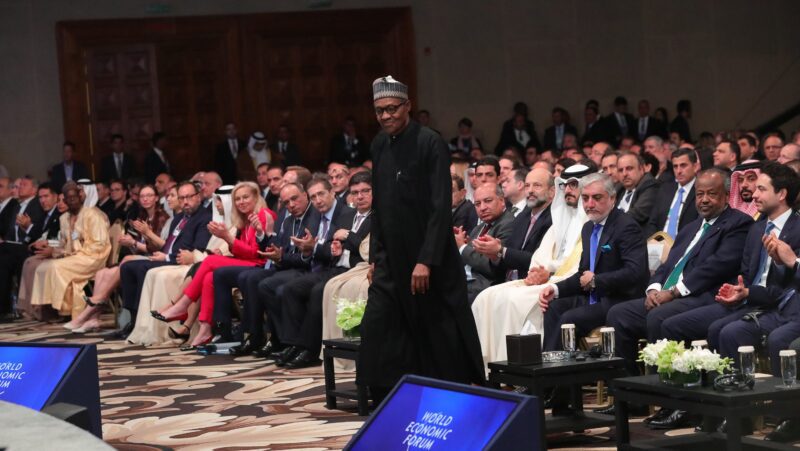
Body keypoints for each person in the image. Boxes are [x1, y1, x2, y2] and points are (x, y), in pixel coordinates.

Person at [359, 75, 485, 402]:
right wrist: (375, 257)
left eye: (391, 109)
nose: (386, 116)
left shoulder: (430, 142)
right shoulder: (378, 145)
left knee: (436, 329)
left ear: (407, 106)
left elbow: (439, 206)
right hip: (390, 258)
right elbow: (380, 207)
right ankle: (385, 395)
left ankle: (450, 394)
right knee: (379, 323)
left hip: (428, 257)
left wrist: (425, 260)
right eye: (379, 111)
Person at [606, 168, 752, 427]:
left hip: (705, 296)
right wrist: (654, 288)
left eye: (711, 194)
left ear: (725, 195)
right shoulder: (690, 227)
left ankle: (675, 403)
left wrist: (672, 293)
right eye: (700, 194)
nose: (704, 199)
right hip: (669, 294)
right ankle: (634, 398)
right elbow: (668, 265)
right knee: (619, 314)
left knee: (660, 317)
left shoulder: (738, 224)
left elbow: (716, 267)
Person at [471, 165, 590, 366]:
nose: (568, 190)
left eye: (574, 185)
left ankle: (518, 369)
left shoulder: (588, 222)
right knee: (486, 297)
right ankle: (486, 367)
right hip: (543, 278)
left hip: (564, 284)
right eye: (565, 185)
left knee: (514, 301)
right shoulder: (560, 218)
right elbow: (539, 256)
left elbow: (578, 266)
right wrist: (538, 271)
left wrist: (548, 274)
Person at [152, 182, 276, 349]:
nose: (241, 202)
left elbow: (257, 253)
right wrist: (227, 246)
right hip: (249, 262)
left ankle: (182, 305)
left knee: (209, 262)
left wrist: (228, 239)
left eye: (245, 197)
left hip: (261, 265)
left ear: (256, 197)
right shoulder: (244, 219)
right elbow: (243, 252)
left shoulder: (263, 214)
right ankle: (208, 329)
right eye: (237, 199)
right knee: (210, 276)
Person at [274, 174, 369, 368]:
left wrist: (347, 238)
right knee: (292, 288)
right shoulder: (347, 215)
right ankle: (293, 344)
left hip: (356, 270)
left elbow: (370, 250)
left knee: (319, 291)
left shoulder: (376, 216)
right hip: (335, 266)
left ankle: (309, 349)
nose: (359, 196)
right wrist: (330, 248)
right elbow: (328, 246)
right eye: (355, 193)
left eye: (365, 191)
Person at [126, 185, 230, 346]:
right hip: (197, 262)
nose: (185, 202)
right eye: (182, 198)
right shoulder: (178, 218)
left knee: (158, 274)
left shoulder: (205, 218)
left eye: (189, 197)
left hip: (193, 263)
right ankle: (145, 327)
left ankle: (170, 323)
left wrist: (170, 256)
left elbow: (199, 249)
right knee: (145, 271)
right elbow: (171, 245)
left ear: (198, 196)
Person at [223, 182, 318, 357]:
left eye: (294, 199)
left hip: (304, 268)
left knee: (267, 284)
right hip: (286, 265)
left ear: (305, 195)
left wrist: (281, 257)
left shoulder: (314, 216)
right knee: (251, 278)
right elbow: (278, 247)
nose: (291, 205)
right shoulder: (288, 218)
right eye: (286, 202)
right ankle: (257, 335)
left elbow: (307, 257)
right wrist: (262, 233)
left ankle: (283, 340)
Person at [65, 184, 170, 333]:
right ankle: (94, 319)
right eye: (142, 196)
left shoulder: (163, 218)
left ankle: (96, 303)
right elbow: (142, 246)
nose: (145, 199)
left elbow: (160, 248)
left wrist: (135, 243)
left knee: (126, 259)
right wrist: (132, 242)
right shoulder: (143, 216)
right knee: (102, 273)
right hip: (142, 257)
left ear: (157, 198)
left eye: (149, 195)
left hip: (156, 258)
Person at [28, 184, 111, 321]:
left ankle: (63, 310)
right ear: (64, 200)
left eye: (74, 197)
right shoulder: (64, 218)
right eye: (68, 198)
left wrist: (73, 253)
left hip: (93, 257)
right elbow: (64, 244)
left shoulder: (93, 215)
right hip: (74, 258)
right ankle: (54, 309)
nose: (71, 201)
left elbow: (100, 244)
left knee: (56, 266)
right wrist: (53, 250)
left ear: (80, 197)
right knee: (43, 267)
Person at [456, 183, 515, 303]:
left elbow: (491, 266)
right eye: (477, 204)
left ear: (502, 200)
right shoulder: (479, 228)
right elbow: (470, 258)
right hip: (464, 281)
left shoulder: (509, 224)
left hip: (484, 287)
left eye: (488, 201)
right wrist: (461, 243)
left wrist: (462, 247)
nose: (482, 207)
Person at [645, 148, 700, 238]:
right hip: (659, 245)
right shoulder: (665, 189)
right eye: (675, 166)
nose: (679, 171)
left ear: (695, 167)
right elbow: (652, 222)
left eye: (683, 165)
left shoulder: (701, 191)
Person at [616, 151, 659, 228]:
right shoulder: (618, 189)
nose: (624, 174)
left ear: (641, 169)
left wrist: (609, 222)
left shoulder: (650, 184)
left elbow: (638, 214)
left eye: (629, 168)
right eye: (620, 170)